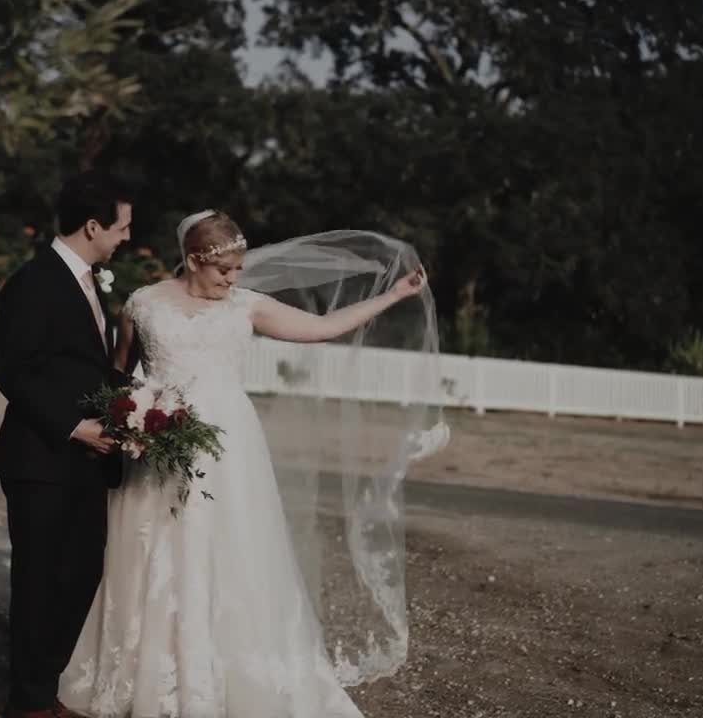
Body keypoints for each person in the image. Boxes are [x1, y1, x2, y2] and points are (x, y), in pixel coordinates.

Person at [58, 210, 429, 717]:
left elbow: (321, 328)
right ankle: (149, 676)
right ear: (192, 261)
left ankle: (227, 672)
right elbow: (118, 376)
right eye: (223, 271)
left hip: (229, 447)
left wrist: (394, 294)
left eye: (237, 269)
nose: (233, 279)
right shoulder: (143, 305)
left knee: (231, 551)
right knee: (156, 550)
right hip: (160, 446)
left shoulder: (246, 306)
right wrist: (132, 416)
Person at [0, 172, 133, 718]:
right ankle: (28, 704)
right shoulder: (35, 282)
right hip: (40, 457)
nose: (125, 237)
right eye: (121, 227)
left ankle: (42, 688)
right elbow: (14, 374)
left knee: (81, 573)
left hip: (83, 463)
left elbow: (85, 369)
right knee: (39, 579)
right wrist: (76, 428)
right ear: (93, 225)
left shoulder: (90, 281)